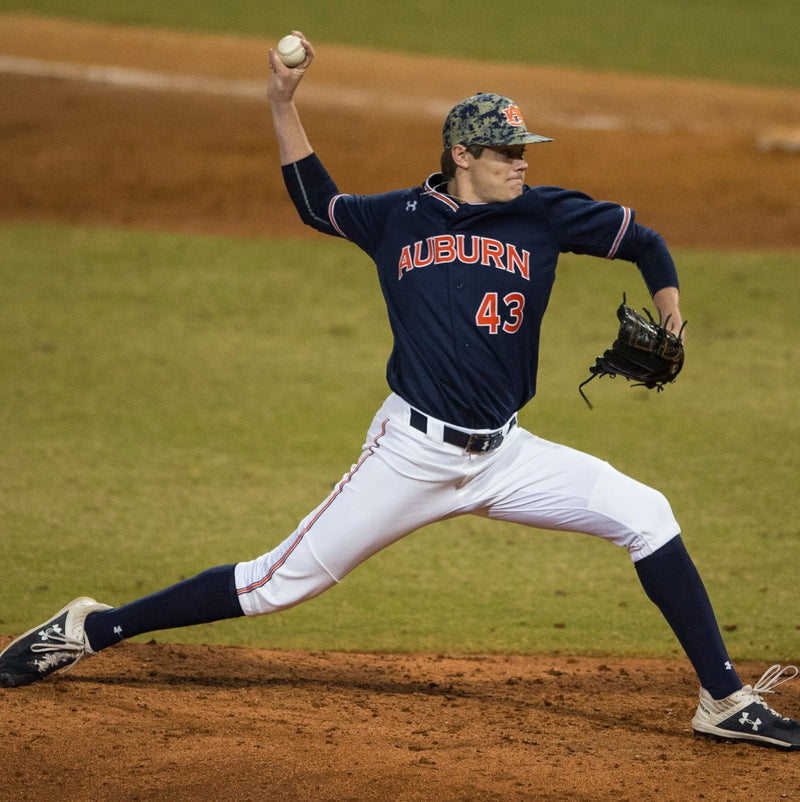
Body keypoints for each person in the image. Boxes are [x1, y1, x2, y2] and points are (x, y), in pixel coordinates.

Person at [1, 32, 798, 751]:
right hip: (410, 453)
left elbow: (647, 244)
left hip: (507, 454)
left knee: (647, 514)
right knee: (273, 584)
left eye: (523, 148)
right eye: (503, 151)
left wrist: (675, 319)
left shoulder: (546, 216)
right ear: (461, 153)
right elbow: (316, 202)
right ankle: (93, 626)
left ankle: (723, 701)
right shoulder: (399, 219)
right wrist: (283, 102)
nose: (521, 161)